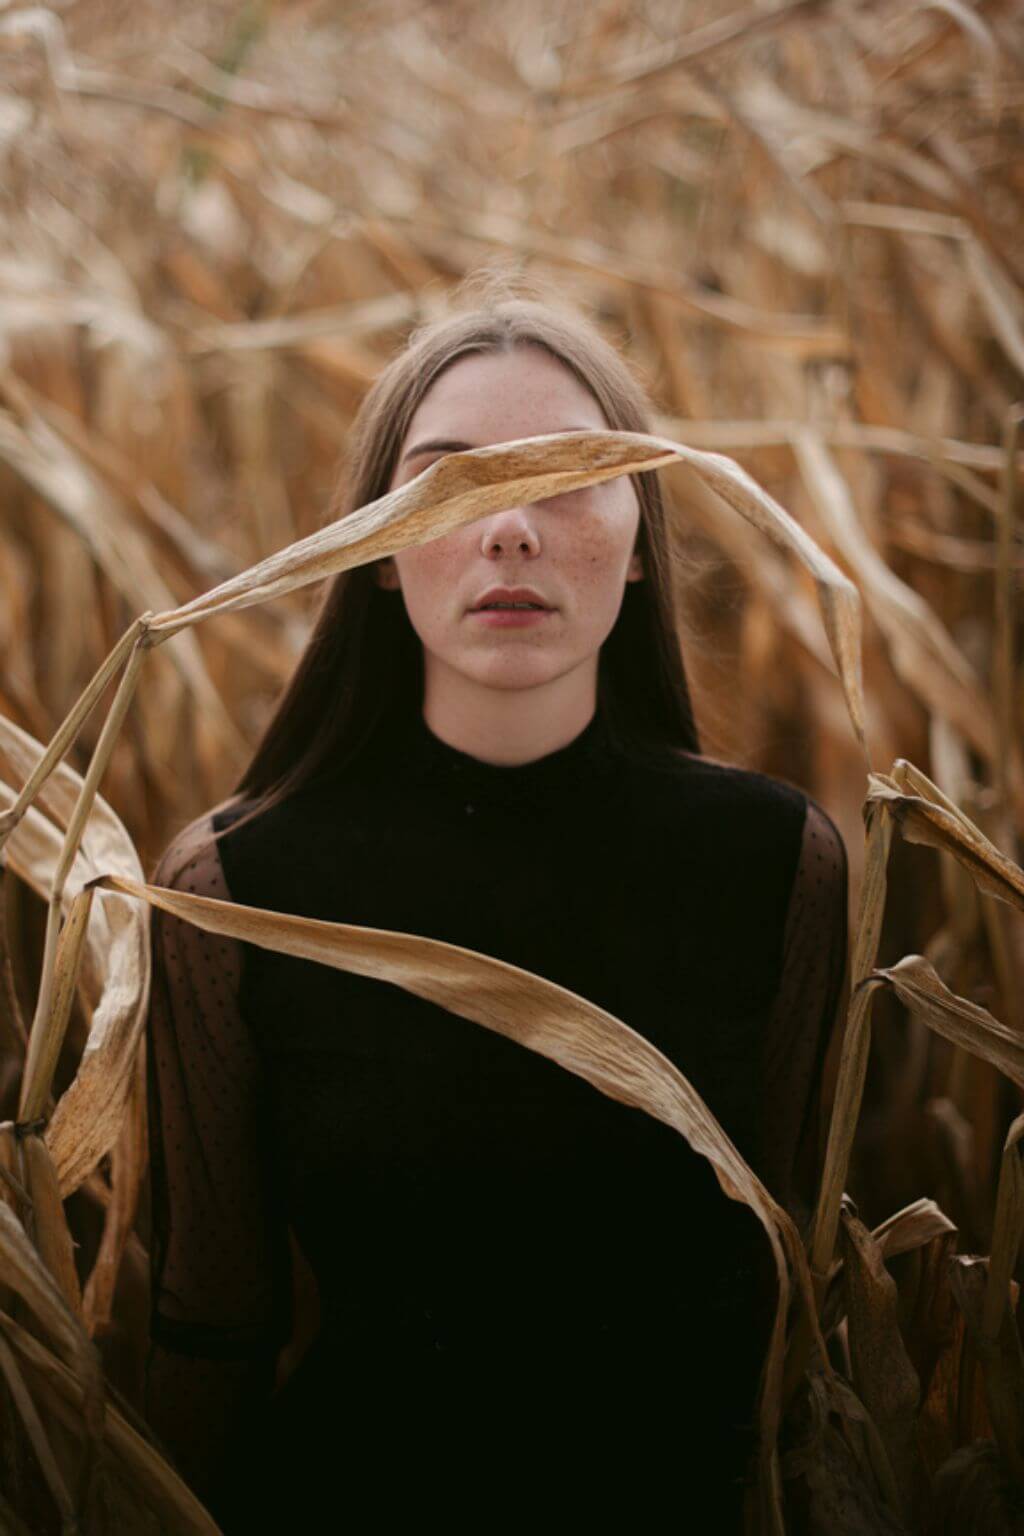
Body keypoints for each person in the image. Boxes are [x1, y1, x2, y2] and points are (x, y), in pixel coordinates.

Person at [142, 272, 849, 1531]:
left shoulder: (775, 861)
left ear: (639, 545)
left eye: (566, 473)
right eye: (450, 483)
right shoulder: (236, 889)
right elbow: (213, 1323)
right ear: (366, 553)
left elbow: (792, 1315)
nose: (508, 528)